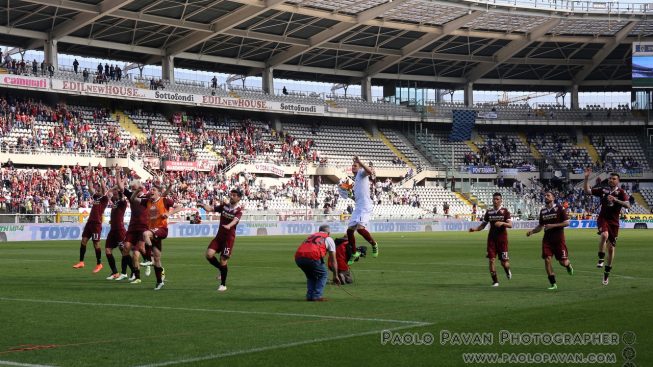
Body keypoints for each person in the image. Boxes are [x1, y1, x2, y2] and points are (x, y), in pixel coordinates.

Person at [583, 169, 630, 285]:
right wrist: (586, 178)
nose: (611, 180)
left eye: (614, 179)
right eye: (610, 178)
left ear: (618, 181)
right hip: (603, 218)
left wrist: (616, 200)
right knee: (604, 234)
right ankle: (600, 258)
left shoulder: (621, 192)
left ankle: (606, 274)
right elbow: (587, 191)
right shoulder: (603, 190)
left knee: (611, 249)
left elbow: (628, 205)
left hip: (614, 222)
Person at [197, 189, 244, 292]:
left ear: (239, 198)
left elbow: (236, 220)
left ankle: (223, 284)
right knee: (209, 255)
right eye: (231, 195)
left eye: (234, 195)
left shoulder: (239, 211)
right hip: (219, 237)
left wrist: (229, 225)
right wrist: (202, 205)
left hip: (228, 239)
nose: (232, 196)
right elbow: (211, 209)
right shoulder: (224, 206)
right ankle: (220, 269)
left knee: (223, 260)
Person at [526, 192, 574, 290]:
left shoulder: (560, 208)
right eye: (545, 195)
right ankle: (553, 283)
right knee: (547, 260)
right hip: (547, 240)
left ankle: (568, 265)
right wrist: (532, 231)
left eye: (548, 195)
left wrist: (552, 225)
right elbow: (540, 226)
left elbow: (566, 223)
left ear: (553, 197)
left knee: (563, 262)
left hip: (559, 240)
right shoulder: (543, 211)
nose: (546, 197)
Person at [143, 184, 182, 290]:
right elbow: (133, 199)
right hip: (154, 231)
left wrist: (169, 214)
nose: (151, 191)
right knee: (157, 258)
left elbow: (180, 207)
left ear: (159, 193)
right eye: (150, 189)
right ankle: (159, 282)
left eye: (154, 190)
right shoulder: (148, 201)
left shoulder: (165, 200)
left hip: (162, 229)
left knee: (145, 234)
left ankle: (148, 258)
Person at [468, 192, 512, 287]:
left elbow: (510, 225)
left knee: (504, 263)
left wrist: (502, 223)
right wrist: (475, 229)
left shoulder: (505, 211)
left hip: (502, 241)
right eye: (494, 199)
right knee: (491, 260)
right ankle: (495, 281)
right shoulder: (489, 212)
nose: (495, 201)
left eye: (497, 199)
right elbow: (483, 225)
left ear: (501, 201)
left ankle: (507, 270)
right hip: (491, 240)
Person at [346, 156, 378, 265]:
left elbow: (369, 171)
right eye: (352, 166)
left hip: (365, 206)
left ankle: (374, 244)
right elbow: (358, 196)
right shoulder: (355, 180)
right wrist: (350, 194)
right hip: (358, 206)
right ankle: (354, 253)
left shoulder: (361, 173)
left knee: (360, 229)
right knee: (349, 231)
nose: (353, 167)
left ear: (359, 168)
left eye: (355, 166)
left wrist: (360, 162)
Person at [295, 225, 340, 301]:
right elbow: (333, 259)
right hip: (312, 257)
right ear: (328, 232)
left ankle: (310, 296)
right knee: (323, 274)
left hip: (299, 258)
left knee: (311, 276)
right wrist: (335, 275)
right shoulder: (328, 238)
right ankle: (317, 295)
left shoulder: (311, 236)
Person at [73, 180, 110, 273]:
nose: (97, 191)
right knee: (83, 241)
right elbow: (90, 187)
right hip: (89, 223)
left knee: (96, 244)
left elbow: (103, 187)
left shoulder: (104, 199)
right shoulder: (96, 198)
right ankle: (81, 262)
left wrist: (101, 180)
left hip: (96, 224)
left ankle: (99, 264)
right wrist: (90, 176)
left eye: (99, 190)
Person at [123, 180, 150, 284]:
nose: (133, 190)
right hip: (132, 227)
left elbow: (159, 196)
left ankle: (141, 271)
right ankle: (136, 271)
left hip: (143, 227)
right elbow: (121, 188)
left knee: (136, 252)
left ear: (140, 188)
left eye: (135, 188)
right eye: (132, 189)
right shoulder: (131, 195)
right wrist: (117, 174)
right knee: (126, 248)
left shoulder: (147, 197)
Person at [105, 181, 129, 280]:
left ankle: (131, 272)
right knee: (107, 250)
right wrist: (114, 187)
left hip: (120, 230)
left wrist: (119, 187)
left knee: (124, 251)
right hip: (113, 230)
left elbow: (121, 191)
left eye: (116, 192)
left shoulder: (123, 202)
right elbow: (108, 193)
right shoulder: (115, 202)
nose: (114, 194)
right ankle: (115, 272)